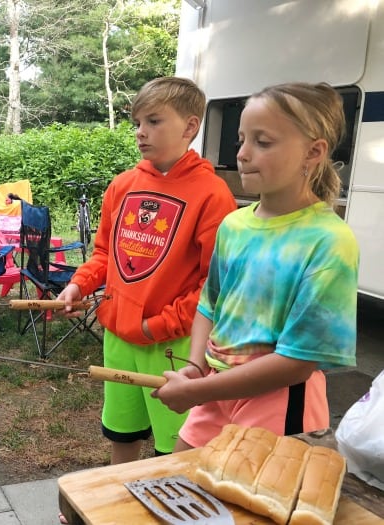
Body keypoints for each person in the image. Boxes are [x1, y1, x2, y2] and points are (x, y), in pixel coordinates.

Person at [152, 82, 359, 452]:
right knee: (178, 482)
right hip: (217, 387)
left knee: (249, 507)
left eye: (263, 142)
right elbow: (208, 305)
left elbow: (297, 363)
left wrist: (199, 388)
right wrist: (198, 367)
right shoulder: (234, 225)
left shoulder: (329, 239)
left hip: (279, 399)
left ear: (313, 152)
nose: (244, 154)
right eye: (242, 140)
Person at [58, 77, 236, 467]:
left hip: (171, 346)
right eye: (137, 122)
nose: (141, 132)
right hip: (118, 339)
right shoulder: (122, 185)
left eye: (154, 121)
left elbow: (214, 286)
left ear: (190, 126)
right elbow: (105, 253)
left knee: (173, 452)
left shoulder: (213, 193)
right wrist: (78, 284)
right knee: (122, 434)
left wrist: (157, 325)